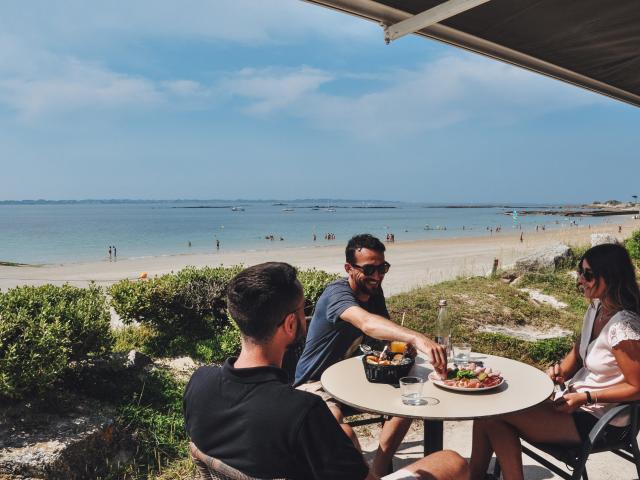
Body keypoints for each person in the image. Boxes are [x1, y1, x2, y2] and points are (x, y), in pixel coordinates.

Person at [184, 262, 468, 480]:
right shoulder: (302, 411)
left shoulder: (199, 383)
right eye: (302, 308)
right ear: (290, 324)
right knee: (452, 462)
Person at [469, 243, 640, 480]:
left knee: (493, 415)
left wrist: (587, 397)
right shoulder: (597, 309)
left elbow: (637, 387)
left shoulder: (623, 327)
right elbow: (577, 355)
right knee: (490, 413)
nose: (580, 279)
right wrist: (558, 371)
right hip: (576, 405)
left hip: (601, 421)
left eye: (588, 274)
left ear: (610, 276)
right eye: (580, 272)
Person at [294, 234, 447, 477]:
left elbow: (385, 330)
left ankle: (376, 472)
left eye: (382, 268)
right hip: (315, 384)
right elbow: (366, 323)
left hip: (355, 378)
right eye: (369, 269)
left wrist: (401, 345)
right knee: (345, 434)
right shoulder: (337, 294)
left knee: (410, 399)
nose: (377, 276)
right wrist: (417, 338)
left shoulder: (374, 291)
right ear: (349, 268)